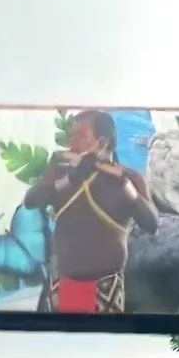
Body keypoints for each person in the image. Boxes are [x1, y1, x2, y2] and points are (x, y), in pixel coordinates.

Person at [24, 109, 158, 315]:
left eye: (80, 135)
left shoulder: (130, 179)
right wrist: (71, 179)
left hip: (106, 291)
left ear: (102, 143)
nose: (72, 141)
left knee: (103, 345)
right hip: (62, 286)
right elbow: (32, 201)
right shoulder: (61, 172)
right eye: (72, 135)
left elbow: (151, 224)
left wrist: (123, 184)